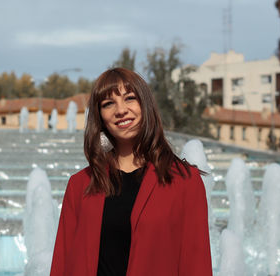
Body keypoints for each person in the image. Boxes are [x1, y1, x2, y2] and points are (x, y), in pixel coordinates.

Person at [50, 68, 213, 276]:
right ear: (100, 116)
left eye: (130, 98)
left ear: (145, 105)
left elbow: (196, 264)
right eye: (108, 104)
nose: (121, 110)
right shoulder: (80, 184)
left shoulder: (184, 181)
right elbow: (62, 263)